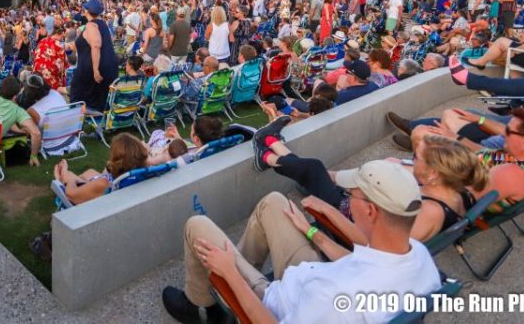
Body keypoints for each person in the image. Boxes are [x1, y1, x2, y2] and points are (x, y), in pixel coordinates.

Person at [160, 158, 440, 324]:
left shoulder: (332, 297)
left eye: (350, 196)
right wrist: (310, 231)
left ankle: (204, 305)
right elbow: (360, 264)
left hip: (280, 302)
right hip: (311, 280)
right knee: (275, 202)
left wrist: (231, 275)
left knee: (196, 225)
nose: (347, 201)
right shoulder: (417, 256)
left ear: (370, 211)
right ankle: (226, 280)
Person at [252, 118, 487, 241]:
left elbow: (375, 248)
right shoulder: (457, 189)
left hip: (348, 222)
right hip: (366, 211)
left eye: (417, 158)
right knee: (315, 170)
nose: (412, 159)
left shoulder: (430, 212)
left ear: (434, 173)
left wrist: (326, 218)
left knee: (314, 169)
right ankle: (271, 147)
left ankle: (267, 151)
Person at [53, 133, 150, 205]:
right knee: (89, 172)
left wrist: (70, 179)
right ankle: (76, 181)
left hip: (95, 203)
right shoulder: (140, 173)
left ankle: (61, 180)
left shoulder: (103, 183)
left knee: (68, 175)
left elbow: (71, 194)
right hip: (111, 191)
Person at [69, 0, 119, 112]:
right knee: (99, 97)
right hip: (108, 65)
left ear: (87, 10)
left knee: (77, 93)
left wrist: (95, 69)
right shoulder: (103, 24)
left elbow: (96, 45)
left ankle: (80, 120)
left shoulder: (91, 25)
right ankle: (98, 119)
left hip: (93, 67)